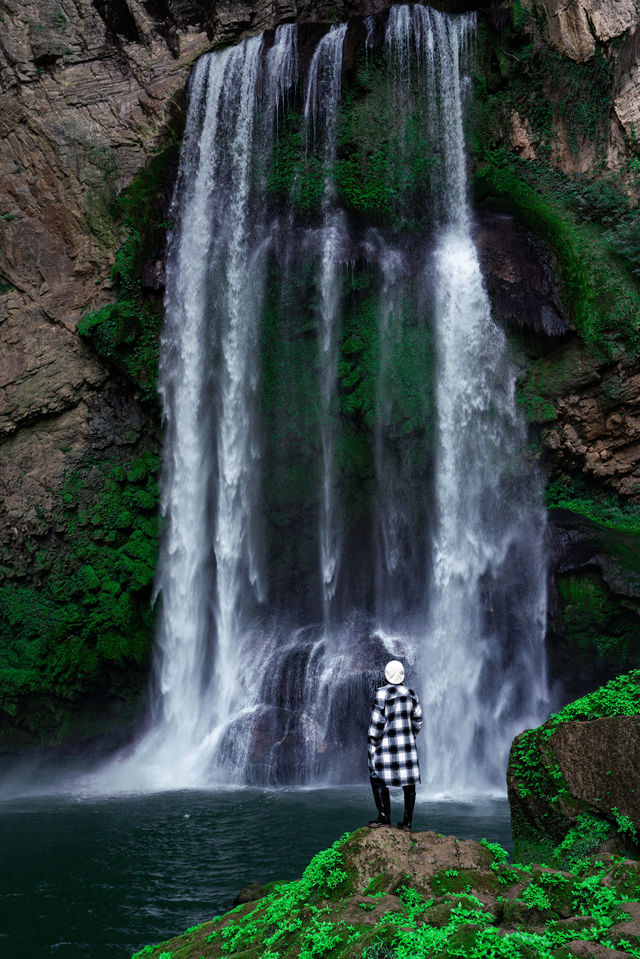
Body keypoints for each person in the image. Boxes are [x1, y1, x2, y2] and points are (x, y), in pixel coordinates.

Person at [367, 660, 423, 831]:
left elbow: (377, 724)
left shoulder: (382, 694)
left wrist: (373, 741)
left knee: (377, 777)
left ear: (386, 675)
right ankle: (407, 822)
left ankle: (384, 817)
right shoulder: (411, 694)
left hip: (387, 747)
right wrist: (409, 736)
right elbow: (418, 720)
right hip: (407, 747)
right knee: (409, 783)